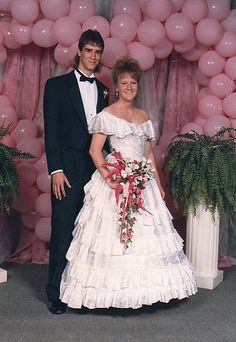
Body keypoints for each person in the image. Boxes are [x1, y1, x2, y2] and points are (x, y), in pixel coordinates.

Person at [60, 57, 197, 309]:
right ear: (116, 86)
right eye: (124, 83)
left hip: (142, 181)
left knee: (146, 236)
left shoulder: (144, 117)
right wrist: (110, 178)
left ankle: (146, 294)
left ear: (137, 85)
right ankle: (109, 295)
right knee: (112, 238)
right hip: (116, 180)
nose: (129, 87)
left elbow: (147, 155)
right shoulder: (106, 115)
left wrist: (157, 185)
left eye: (133, 82)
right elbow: (95, 151)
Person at [43, 30, 109, 314]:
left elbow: (107, 136)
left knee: (91, 233)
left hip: (95, 173)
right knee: (62, 230)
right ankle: (55, 293)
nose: (93, 56)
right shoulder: (56, 86)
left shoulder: (105, 90)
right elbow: (51, 132)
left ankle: (81, 290)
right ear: (79, 51)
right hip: (66, 172)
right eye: (89, 50)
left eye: (98, 52)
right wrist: (55, 170)